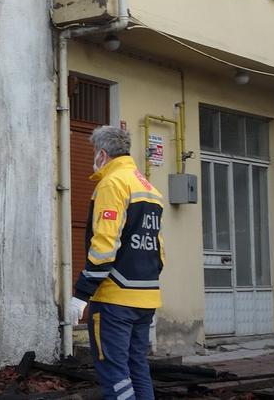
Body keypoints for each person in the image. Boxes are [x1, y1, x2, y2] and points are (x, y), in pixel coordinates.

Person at [67, 126, 165, 400]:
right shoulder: (149, 188)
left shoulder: (111, 184)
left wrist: (81, 294)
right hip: (146, 297)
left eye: (93, 154)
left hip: (114, 299)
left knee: (114, 374)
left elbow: (104, 247)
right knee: (138, 369)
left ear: (102, 153)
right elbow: (159, 249)